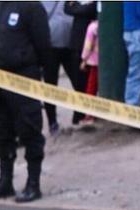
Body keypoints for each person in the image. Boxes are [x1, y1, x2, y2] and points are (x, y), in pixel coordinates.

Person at [0, 1, 51, 203]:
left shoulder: (31, 7)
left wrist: (43, 78)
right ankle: (5, 181)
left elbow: (44, 46)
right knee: (3, 132)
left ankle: (33, 184)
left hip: (23, 80)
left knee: (30, 132)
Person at [41, 1, 80, 135]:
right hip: (50, 47)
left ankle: (79, 115)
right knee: (50, 86)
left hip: (70, 45)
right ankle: (52, 122)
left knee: (78, 82)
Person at [64, 1, 98, 124]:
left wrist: (77, 7)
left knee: (90, 82)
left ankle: (89, 113)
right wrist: (80, 8)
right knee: (78, 82)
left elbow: (90, 9)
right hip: (76, 44)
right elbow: (67, 8)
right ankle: (79, 113)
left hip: (92, 46)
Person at [79, 19, 99, 124]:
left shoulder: (92, 27)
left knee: (91, 88)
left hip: (95, 62)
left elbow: (88, 45)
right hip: (108, 61)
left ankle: (89, 115)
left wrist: (84, 60)